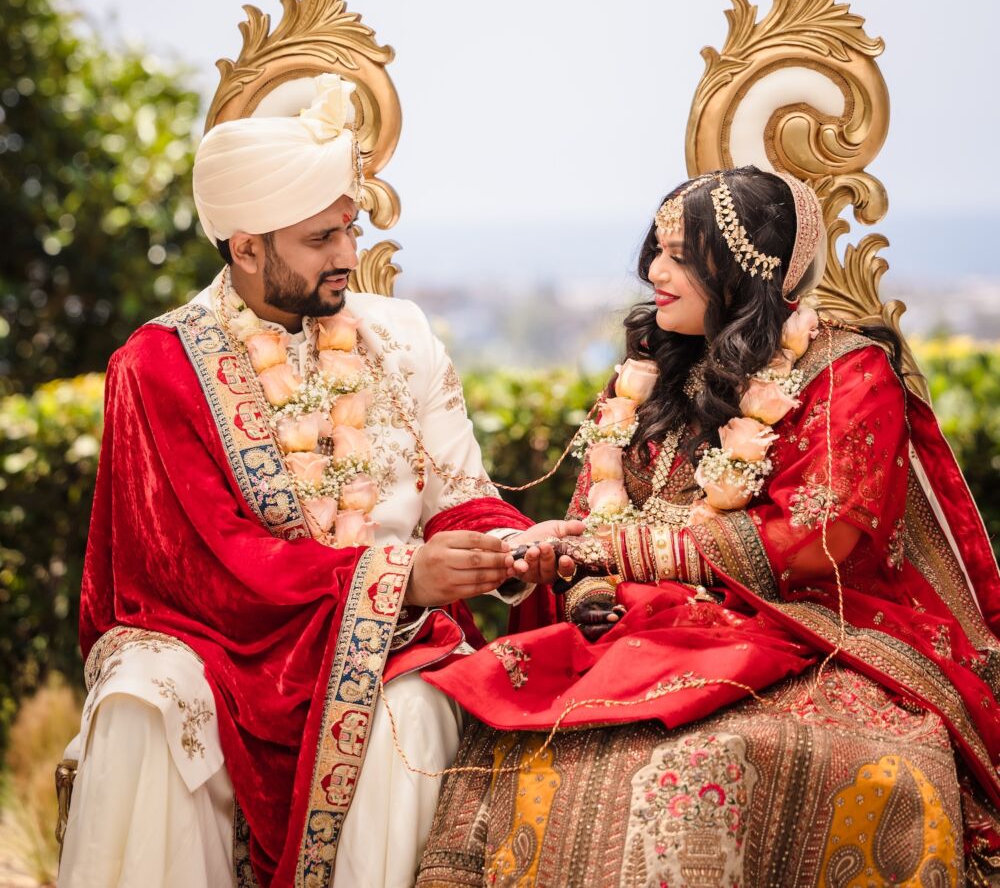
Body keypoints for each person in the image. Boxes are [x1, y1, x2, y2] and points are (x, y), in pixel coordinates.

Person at [59, 73, 579, 888]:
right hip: (226, 649)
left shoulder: (399, 335)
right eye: (319, 239)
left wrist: (509, 546)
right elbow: (210, 561)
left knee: (407, 719)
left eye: (350, 227)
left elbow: (460, 492)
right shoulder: (158, 366)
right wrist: (402, 577)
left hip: (392, 649)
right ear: (246, 246)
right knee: (144, 702)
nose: (347, 256)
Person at [418, 165, 1000, 887]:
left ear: (745, 269)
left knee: (696, 767)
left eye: (681, 257)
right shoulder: (649, 372)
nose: (656, 272)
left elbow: (822, 536)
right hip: (638, 632)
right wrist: (570, 570)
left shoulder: (845, 371)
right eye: (655, 254)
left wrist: (617, 547)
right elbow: (589, 517)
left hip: (809, 630)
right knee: (505, 724)